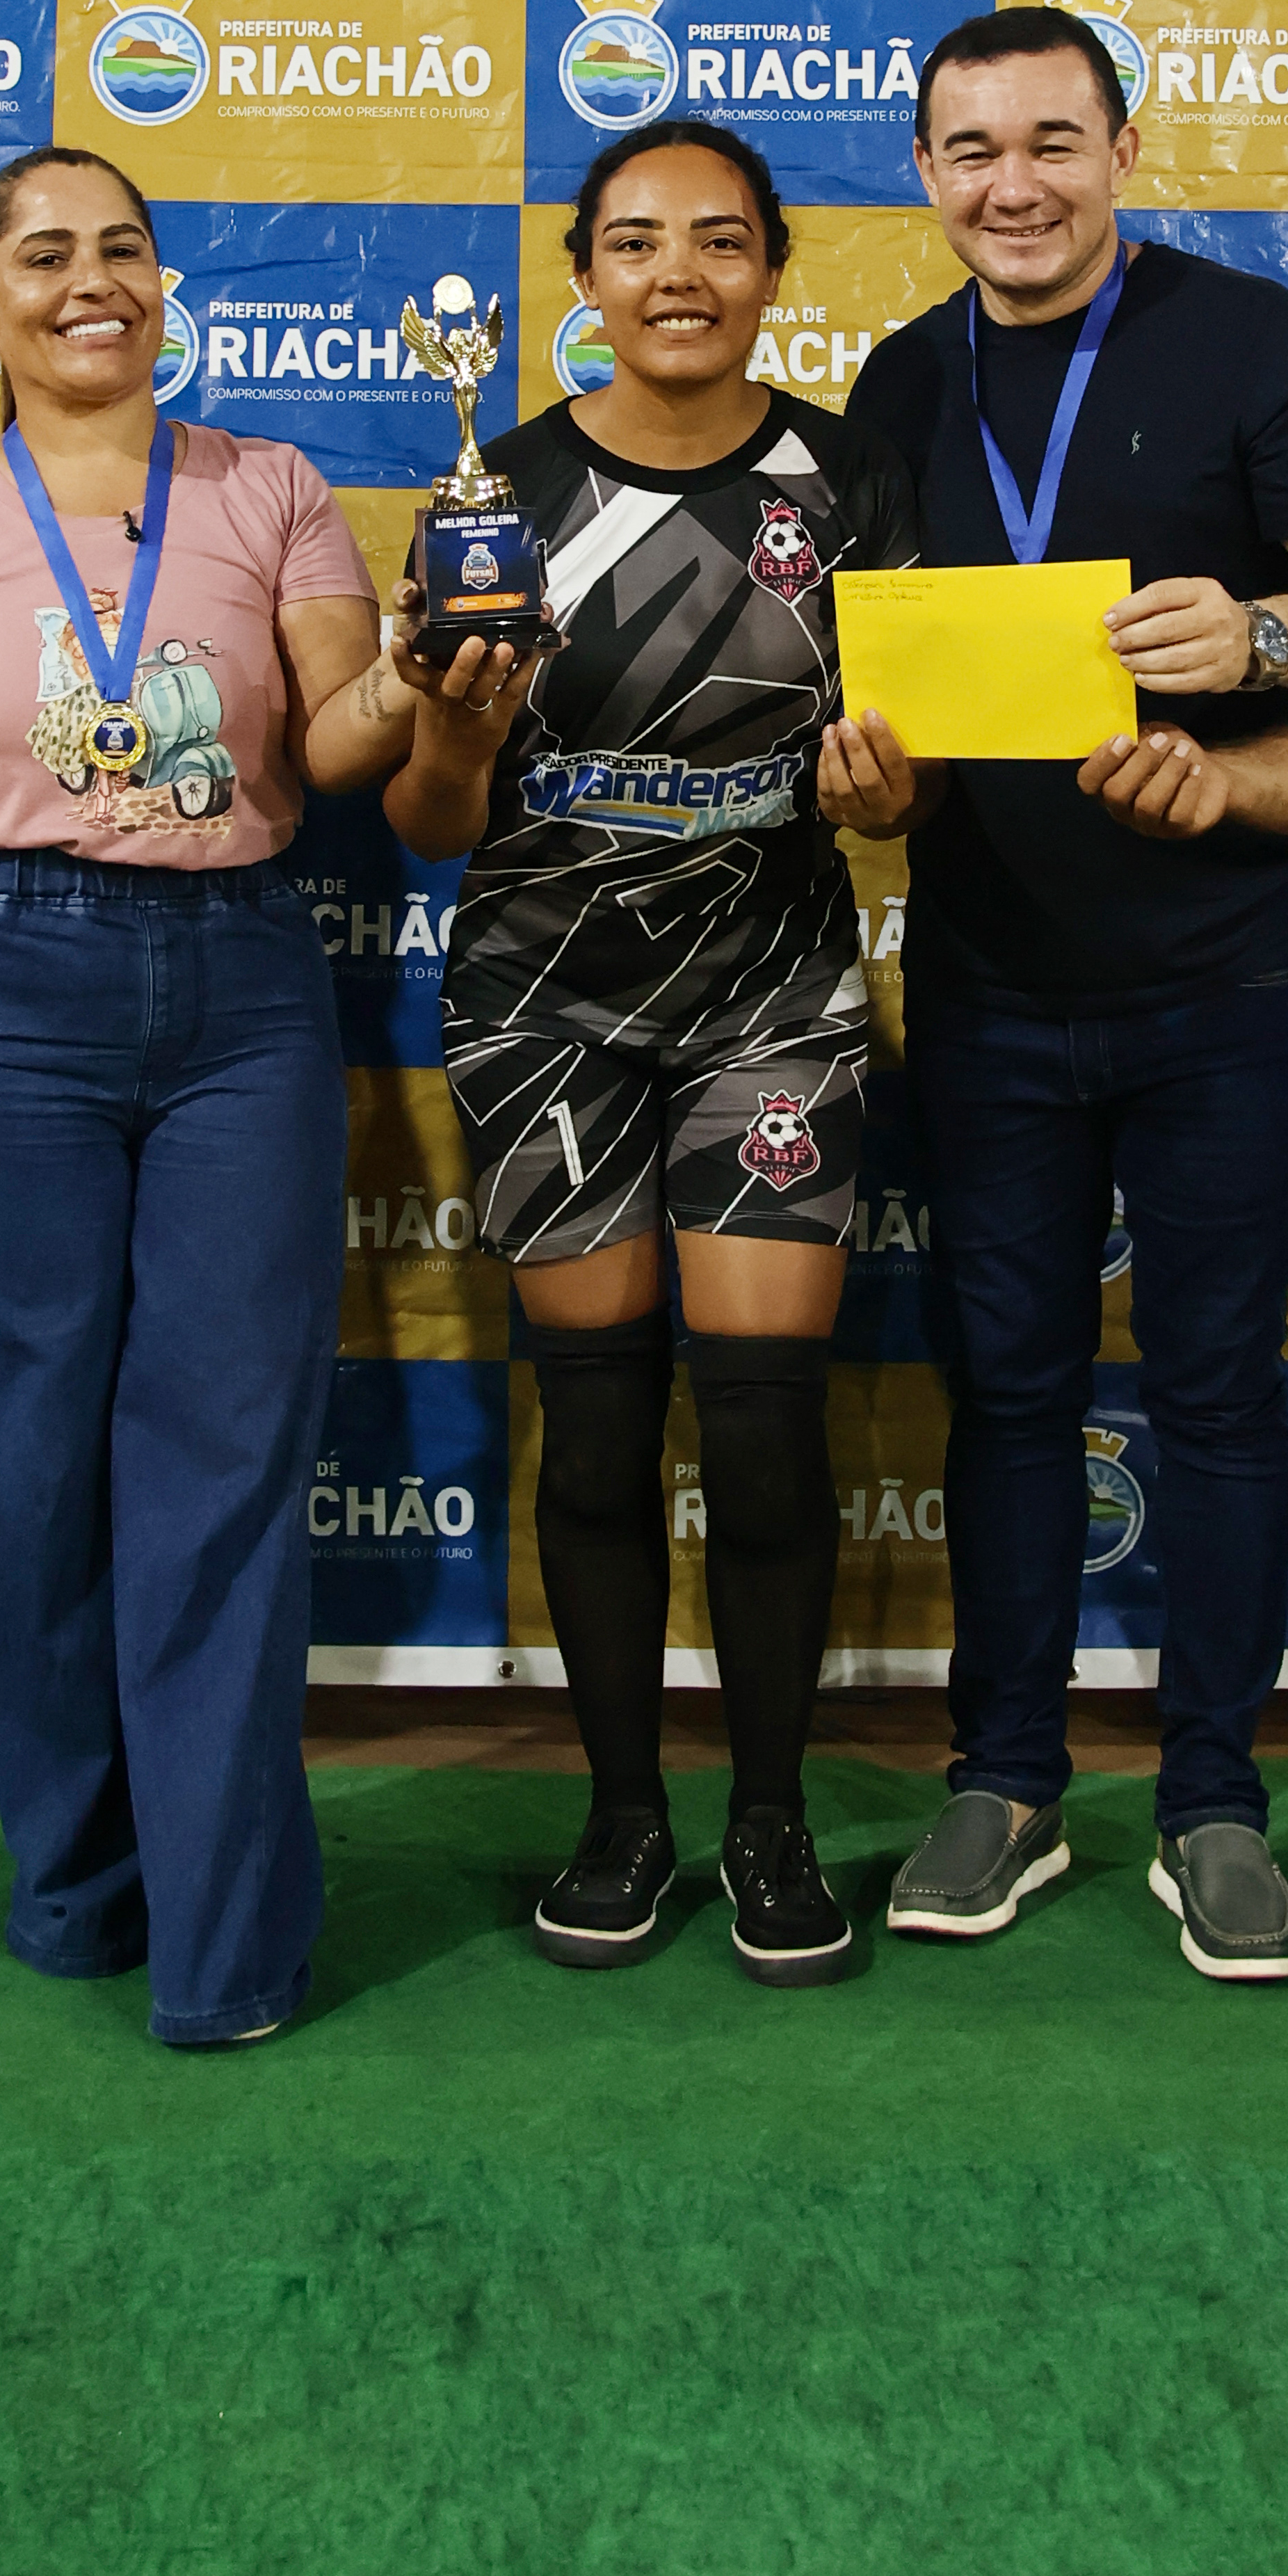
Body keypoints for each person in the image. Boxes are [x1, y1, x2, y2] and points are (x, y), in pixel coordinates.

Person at [841, 3, 1288, 1981]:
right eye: (971, 147)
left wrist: (1255, 639)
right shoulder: (898, 382)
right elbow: (900, 696)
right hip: (993, 982)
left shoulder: (1253, 339)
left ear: (1122, 148)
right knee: (1006, 1395)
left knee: (1214, 1397)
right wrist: (873, 782)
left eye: (1052, 141)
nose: (1013, 182)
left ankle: (1214, 1799)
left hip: (1225, 977)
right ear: (927, 172)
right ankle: (1004, 1782)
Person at [0, 146, 410, 2048]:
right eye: (48, 257)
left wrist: (445, 675)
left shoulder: (269, 488)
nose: (96, 283)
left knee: (226, 1467)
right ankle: (76, 1887)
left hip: (240, 975)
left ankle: (229, 1946)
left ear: (167, 288)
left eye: (128, 251)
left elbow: (335, 744)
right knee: (27, 1454)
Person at [384, 117, 925, 1983]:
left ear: (776, 264)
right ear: (581, 279)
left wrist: (886, 789)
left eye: (717, 239)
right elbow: (439, 819)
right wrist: (457, 728)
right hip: (543, 1004)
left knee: (767, 1440)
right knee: (599, 1428)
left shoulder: (857, 480)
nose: (677, 273)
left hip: (771, 991)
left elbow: (905, 773)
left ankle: (771, 1825)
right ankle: (625, 1817)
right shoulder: (494, 489)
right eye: (635, 241)